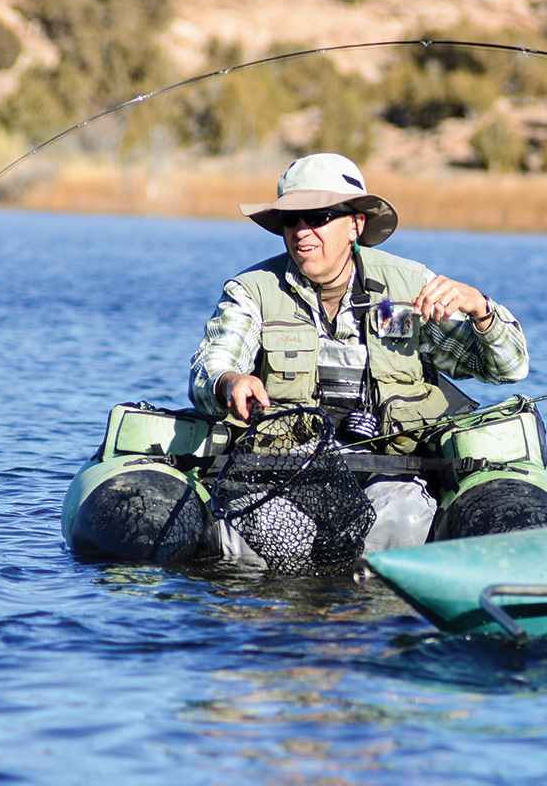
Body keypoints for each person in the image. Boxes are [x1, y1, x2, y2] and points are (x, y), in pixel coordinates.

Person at [190, 153, 529, 552]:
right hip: (280, 472)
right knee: (243, 541)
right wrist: (229, 381)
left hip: (391, 477)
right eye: (290, 220)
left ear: (355, 224)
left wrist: (482, 310)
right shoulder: (251, 292)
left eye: (318, 217)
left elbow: (508, 368)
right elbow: (209, 368)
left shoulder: (412, 286)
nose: (301, 231)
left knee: (404, 520)